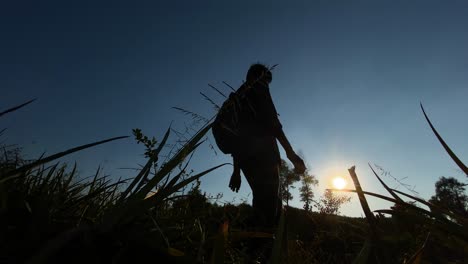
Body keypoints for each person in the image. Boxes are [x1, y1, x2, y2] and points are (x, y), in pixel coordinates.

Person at [227, 63, 306, 229]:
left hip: (246, 160)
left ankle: (255, 245)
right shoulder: (259, 89)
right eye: (266, 80)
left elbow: (236, 138)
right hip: (265, 155)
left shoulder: (237, 98)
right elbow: (273, 124)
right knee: (271, 206)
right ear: (261, 76)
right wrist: (290, 153)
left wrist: (236, 171)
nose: (267, 85)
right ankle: (268, 248)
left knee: (261, 201)